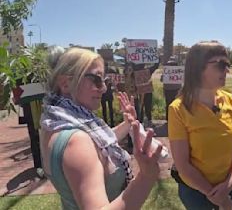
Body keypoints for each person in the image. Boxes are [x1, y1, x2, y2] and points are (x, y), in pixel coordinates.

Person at [40, 47, 162, 210]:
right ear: (66, 84)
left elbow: (97, 144)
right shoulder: (76, 142)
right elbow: (85, 146)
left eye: (104, 81)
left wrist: (127, 124)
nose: (104, 88)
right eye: (96, 80)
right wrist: (146, 177)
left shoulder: (54, 121)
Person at [168, 41, 232, 210]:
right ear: (198, 68)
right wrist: (217, 197)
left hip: (230, 186)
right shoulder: (178, 109)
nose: (227, 70)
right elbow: (183, 165)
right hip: (196, 192)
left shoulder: (230, 99)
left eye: (227, 64)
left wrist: (229, 184)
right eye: (221, 64)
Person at [101, 62, 116, 127]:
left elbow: (115, 75)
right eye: (105, 66)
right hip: (103, 94)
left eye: (106, 66)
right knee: (104, 109)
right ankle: (105, 122)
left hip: (109, 93)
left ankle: (112, 122)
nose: (106, 67)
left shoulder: (110, 72)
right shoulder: (100, 73)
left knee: (111, 108)